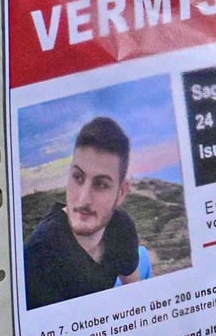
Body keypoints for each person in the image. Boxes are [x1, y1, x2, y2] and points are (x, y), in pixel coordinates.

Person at [24, 115, 148, 309]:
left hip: (107, 288)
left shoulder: (122, 226)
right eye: (78, 177)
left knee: (144, 258)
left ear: (121, 192)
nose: (82, 200)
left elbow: (133, 289)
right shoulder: (39, 257)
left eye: (100, 184)